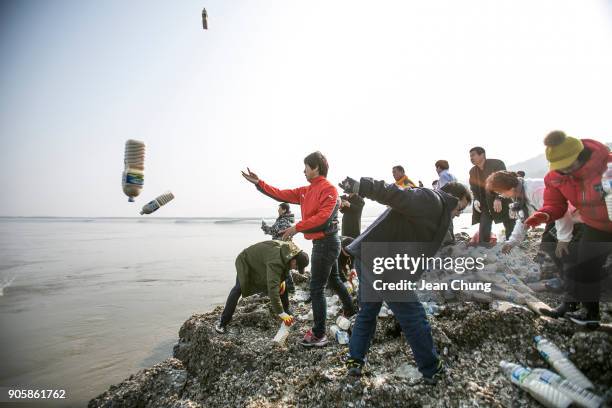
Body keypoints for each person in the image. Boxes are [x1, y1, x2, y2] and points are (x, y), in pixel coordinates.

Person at [337, 177, 471, 384]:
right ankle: (432, 369)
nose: (459, 213)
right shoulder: (431, 199)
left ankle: (355, 362)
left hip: (368, 257)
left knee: (368, 312)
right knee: (413, 314)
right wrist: (361, 186)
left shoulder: (439, 214)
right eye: (461, 207)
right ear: (456, 197)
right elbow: (393, 193)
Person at [241, 151, 356, 347]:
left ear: (316, 168)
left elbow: (323, 218)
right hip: (325, 243)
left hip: (326, 243)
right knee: (334, 279)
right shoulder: (305, 190)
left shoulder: (328, 189)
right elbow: (279, 193)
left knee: (316, 288)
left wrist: (296, 227)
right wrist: (259, 183)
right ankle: (351, 310)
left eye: (306, 167)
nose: (303, 170)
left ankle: (319, 334)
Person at [525, 131, 611, 324]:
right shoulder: (556, 177)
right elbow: (556, 204)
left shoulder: (607, 166)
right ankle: (584, 311)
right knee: (582, 266)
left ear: (580, 156)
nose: (565, 172)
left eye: (568, 166)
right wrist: (544, 214)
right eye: (560, 168)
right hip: (596, 226)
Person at [215, 240, 309, 334]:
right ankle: (223, 322)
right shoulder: (276, 261)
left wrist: (281, 281)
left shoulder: (292, 251)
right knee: (238, 289)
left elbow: (283, 268)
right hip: (246, 260)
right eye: (296, 267)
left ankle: (287, 309)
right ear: (294, 260)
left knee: (282, 284)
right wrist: (281, 313)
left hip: (261, 261)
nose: (295, 269)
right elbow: (273, 290)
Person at [485, 171, 575, 256]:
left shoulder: (534, 190)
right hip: (556, 219)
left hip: (573, 215)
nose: (503, 196)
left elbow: (561, 211)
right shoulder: (520, 196)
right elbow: (523, 220)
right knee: (546, 250)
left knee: (560, 250)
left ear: (510, 188)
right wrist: (512, 242)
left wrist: (563, 239)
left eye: (501, 193)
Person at [468, 146, 516, 243]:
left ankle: (512, 245)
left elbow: (504, 182)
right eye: (470, 156)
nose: (471, 158)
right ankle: (483, 246)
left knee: (509, 222)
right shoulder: (472, 171)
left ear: (482, 155)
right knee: (484, 225)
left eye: (473, 155)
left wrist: (498, 198)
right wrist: (476, 199)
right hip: (484, 202)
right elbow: (473, 187)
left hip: (502, 198)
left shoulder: (497, 163)